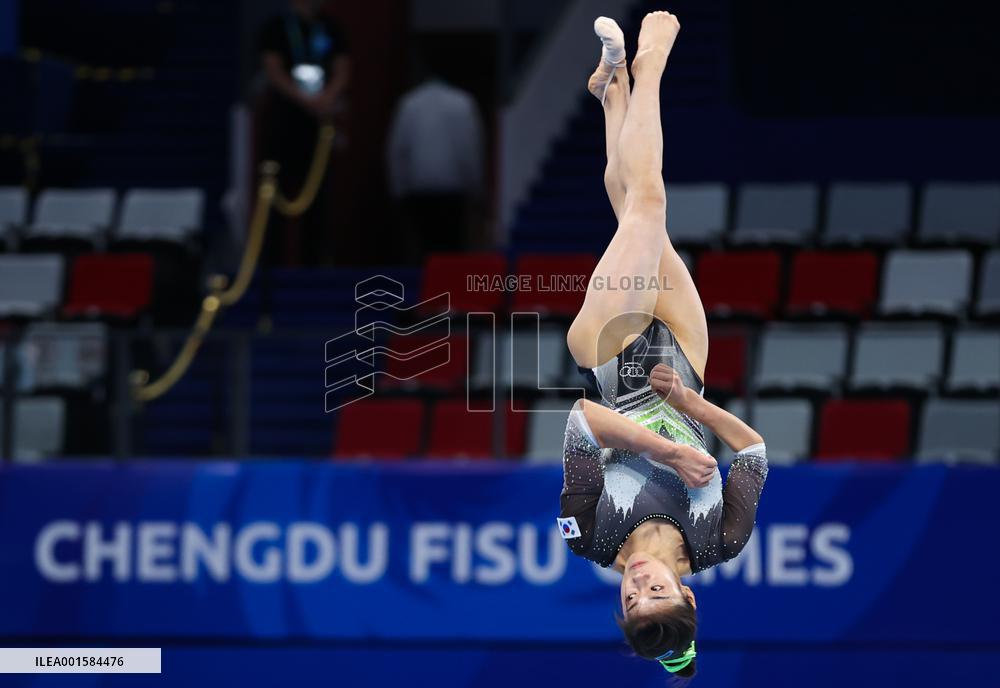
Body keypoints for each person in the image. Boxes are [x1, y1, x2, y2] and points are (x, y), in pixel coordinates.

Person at [557, 12, 768, 679]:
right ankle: (613, 89)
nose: (639, 586)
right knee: (634, 204)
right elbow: (756, 453)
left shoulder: (587, 539)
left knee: (646, 204)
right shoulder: (722, 540)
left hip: (609, 354)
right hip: (686, 357)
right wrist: (691, 408)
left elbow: (579, 419)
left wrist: (668, 448)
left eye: (631, 601)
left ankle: (648, 65)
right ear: (687, 593)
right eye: (658, 596)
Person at [256, 0, 350, 265]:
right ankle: (271, 262)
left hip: (319, 123)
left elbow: (343, 68)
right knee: (276, 194)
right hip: (284, 120)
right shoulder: (277, 27)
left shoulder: (330, 27)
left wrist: (325, 98)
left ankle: (313, 261)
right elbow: (272, 68)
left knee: (318, 196)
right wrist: (304, 99)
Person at [386, 58, 485, 260]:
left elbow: (397, 150)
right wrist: (476, 187)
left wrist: (399, 188)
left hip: (421, 188)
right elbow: (469, 148)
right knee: (450, 252)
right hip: (451, 189)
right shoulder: (462, 103)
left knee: (426, 252)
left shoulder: (410, 104)